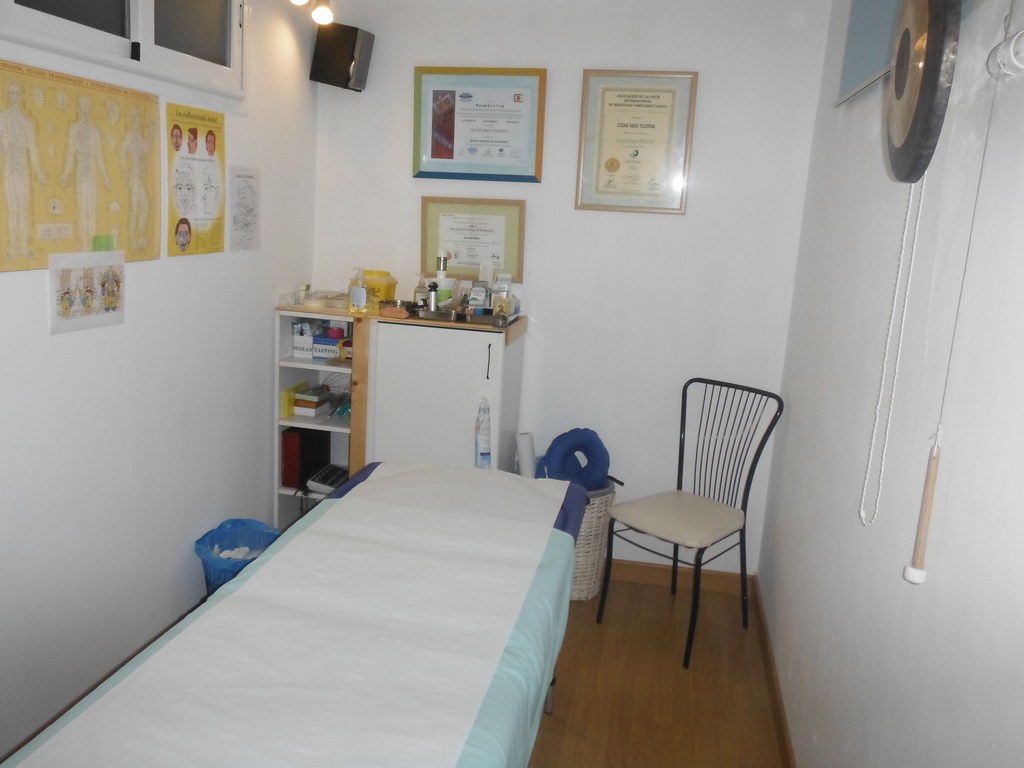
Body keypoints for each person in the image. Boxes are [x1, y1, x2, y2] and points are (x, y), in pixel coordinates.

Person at [0, 79, 48, 260]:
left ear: (21, 96)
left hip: (23, 170)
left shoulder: (27, 122)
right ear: (8, 95)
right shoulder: (2, 119)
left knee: (24, 209)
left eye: (17, 93)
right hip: (9, 170)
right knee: (13, 209)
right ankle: (14, 248)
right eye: (11, 93)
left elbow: (33, 149)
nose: (14, 96)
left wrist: (40, 172)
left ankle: (25, 247)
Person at [59, 95, 111, 251]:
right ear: (79, 108)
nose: (86, 110)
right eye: (83, 107)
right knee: (83, 210)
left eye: (88, 107)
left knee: (92, 210)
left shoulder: (95, 131)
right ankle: (84, 244)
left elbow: (99, 156)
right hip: (81, 175)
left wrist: (106, 178)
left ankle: (93, 245)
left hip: (92, 176)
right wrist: (65, 175)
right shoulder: (74, 129)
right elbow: (70, 154)